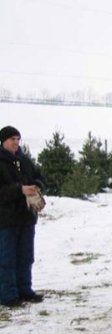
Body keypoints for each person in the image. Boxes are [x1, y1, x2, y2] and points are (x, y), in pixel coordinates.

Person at [0, 126, 46, 307]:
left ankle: (25, 290)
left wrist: (36, 185)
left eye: (18, 139)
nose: (16, 142)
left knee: (26, 256)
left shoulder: (24, 160)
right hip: (6, 220)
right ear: (3, 141)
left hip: (27, 218)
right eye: (12, 139)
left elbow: (40, 176)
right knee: (7, 258)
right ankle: (8, 295)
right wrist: (19, 190)